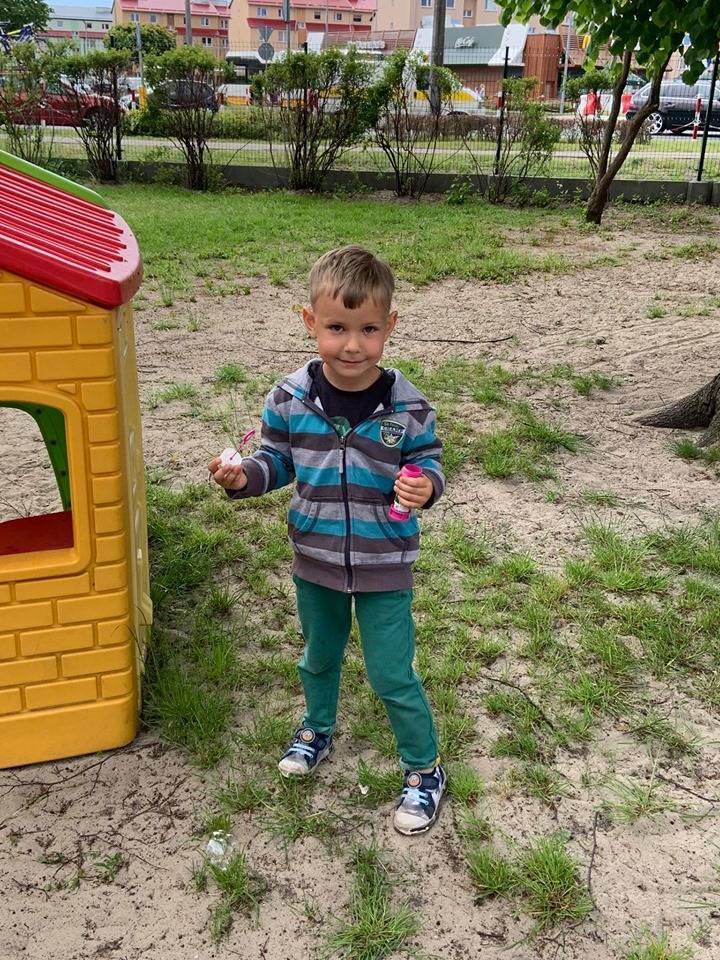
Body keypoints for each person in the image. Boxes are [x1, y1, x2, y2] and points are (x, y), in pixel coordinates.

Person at [208, 245, 446, 835]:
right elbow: (277, 461)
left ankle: (424, 768)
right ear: (310, 321)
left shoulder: (409, 405)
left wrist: (425, 487)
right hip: (314, 558)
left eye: (369, 330)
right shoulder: (289, 398)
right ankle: (317, 728)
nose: (353, 345)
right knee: (318, 655)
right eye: (337, 328)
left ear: (390, 325)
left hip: (384, 562)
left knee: (391, 673)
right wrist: (244, 478)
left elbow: (428, 461)